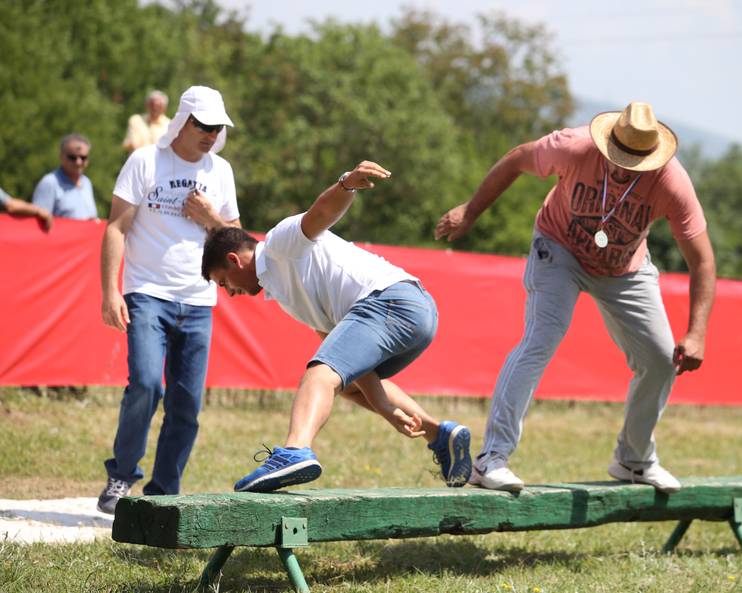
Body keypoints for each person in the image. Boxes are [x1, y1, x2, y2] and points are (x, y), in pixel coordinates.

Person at [435, 101, 716, 494]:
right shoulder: (572, 146)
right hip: (559, 250)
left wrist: (697, 332)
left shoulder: (672, 182)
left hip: (625, 268)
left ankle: (633, 461)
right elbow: (517, 158)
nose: (623, 170)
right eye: (618, 159)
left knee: (659, 358)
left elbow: (702, 260)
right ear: (606, 145)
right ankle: (491, 459)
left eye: (635, 164)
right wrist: (471, 211)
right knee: (541, 340)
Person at [201, 161, 472, 493]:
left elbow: (320, 214)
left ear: (234, 260)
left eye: (224, 283)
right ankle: (440, 436)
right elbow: (352, 364)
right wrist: (385, 409)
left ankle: (295, 450)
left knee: (318, 374)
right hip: (417, 314)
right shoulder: (287, 294)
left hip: (392, 301)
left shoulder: (278, 245)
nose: (230, 293)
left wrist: (347, 184)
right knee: (345, 383)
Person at [97, 86, 241, 514]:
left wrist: (210, 218)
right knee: (145, 383)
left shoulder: (221, 171)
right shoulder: (145, 160)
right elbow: (115, 229)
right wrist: (110, 291)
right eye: (204, 125)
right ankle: (123, 473)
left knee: (187, 404)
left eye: (218, 128)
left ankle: (163, 494)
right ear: (182, 121)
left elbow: (236, 241)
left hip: (199, 300)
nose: (211, 134)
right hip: (147, 294)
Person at [32, 134, 98, 220]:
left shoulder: (87, 182)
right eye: (72, 157)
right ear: (61, 157)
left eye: (83, 157)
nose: (78, 162)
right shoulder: (50, 182)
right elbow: (38, 222)